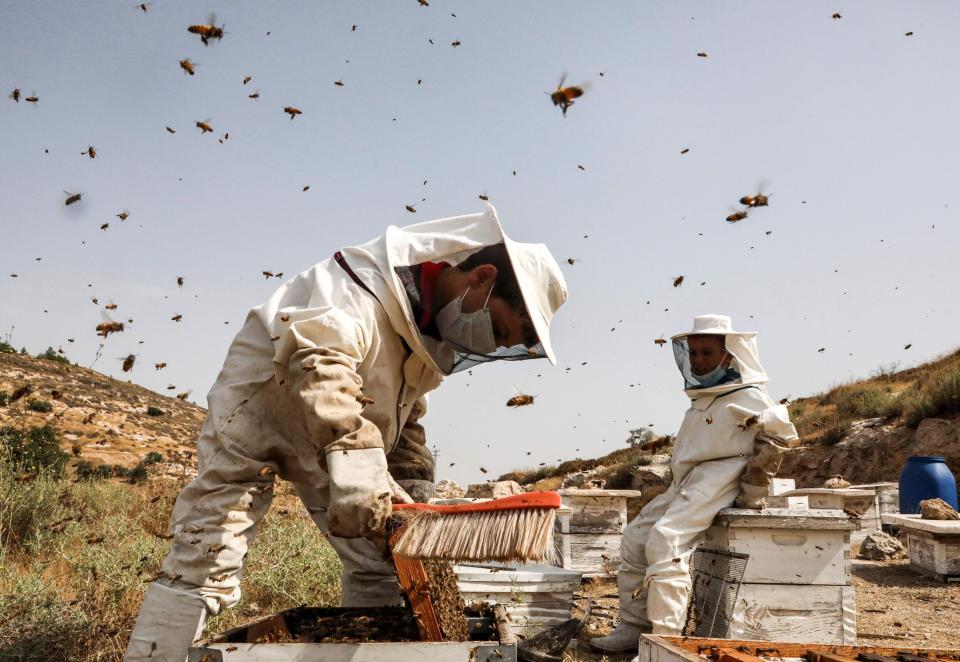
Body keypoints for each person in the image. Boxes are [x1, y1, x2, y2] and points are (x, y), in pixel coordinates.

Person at [124, 203, 568, 661]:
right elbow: (322, 361)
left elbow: (407, 413)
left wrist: (412, 496)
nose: (487, 343)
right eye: (496, 327)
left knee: (384, 561)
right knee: (206, 553)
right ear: (481, 277)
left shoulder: (429, 334)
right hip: (260, 410)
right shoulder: (361, 286)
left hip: (344, 435)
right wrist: (354, 454)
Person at [590, 314, 798, 653]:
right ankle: (633, 628)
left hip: (721, 476)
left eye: (707, 353)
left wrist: (754, 489)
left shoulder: (749, 395)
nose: (699, 361)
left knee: (665, 541)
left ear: (728, 356)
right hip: (687, 481)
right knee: (634, 538)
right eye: (695, 353)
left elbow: (781, 434)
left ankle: (666, 642)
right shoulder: (704, 396)